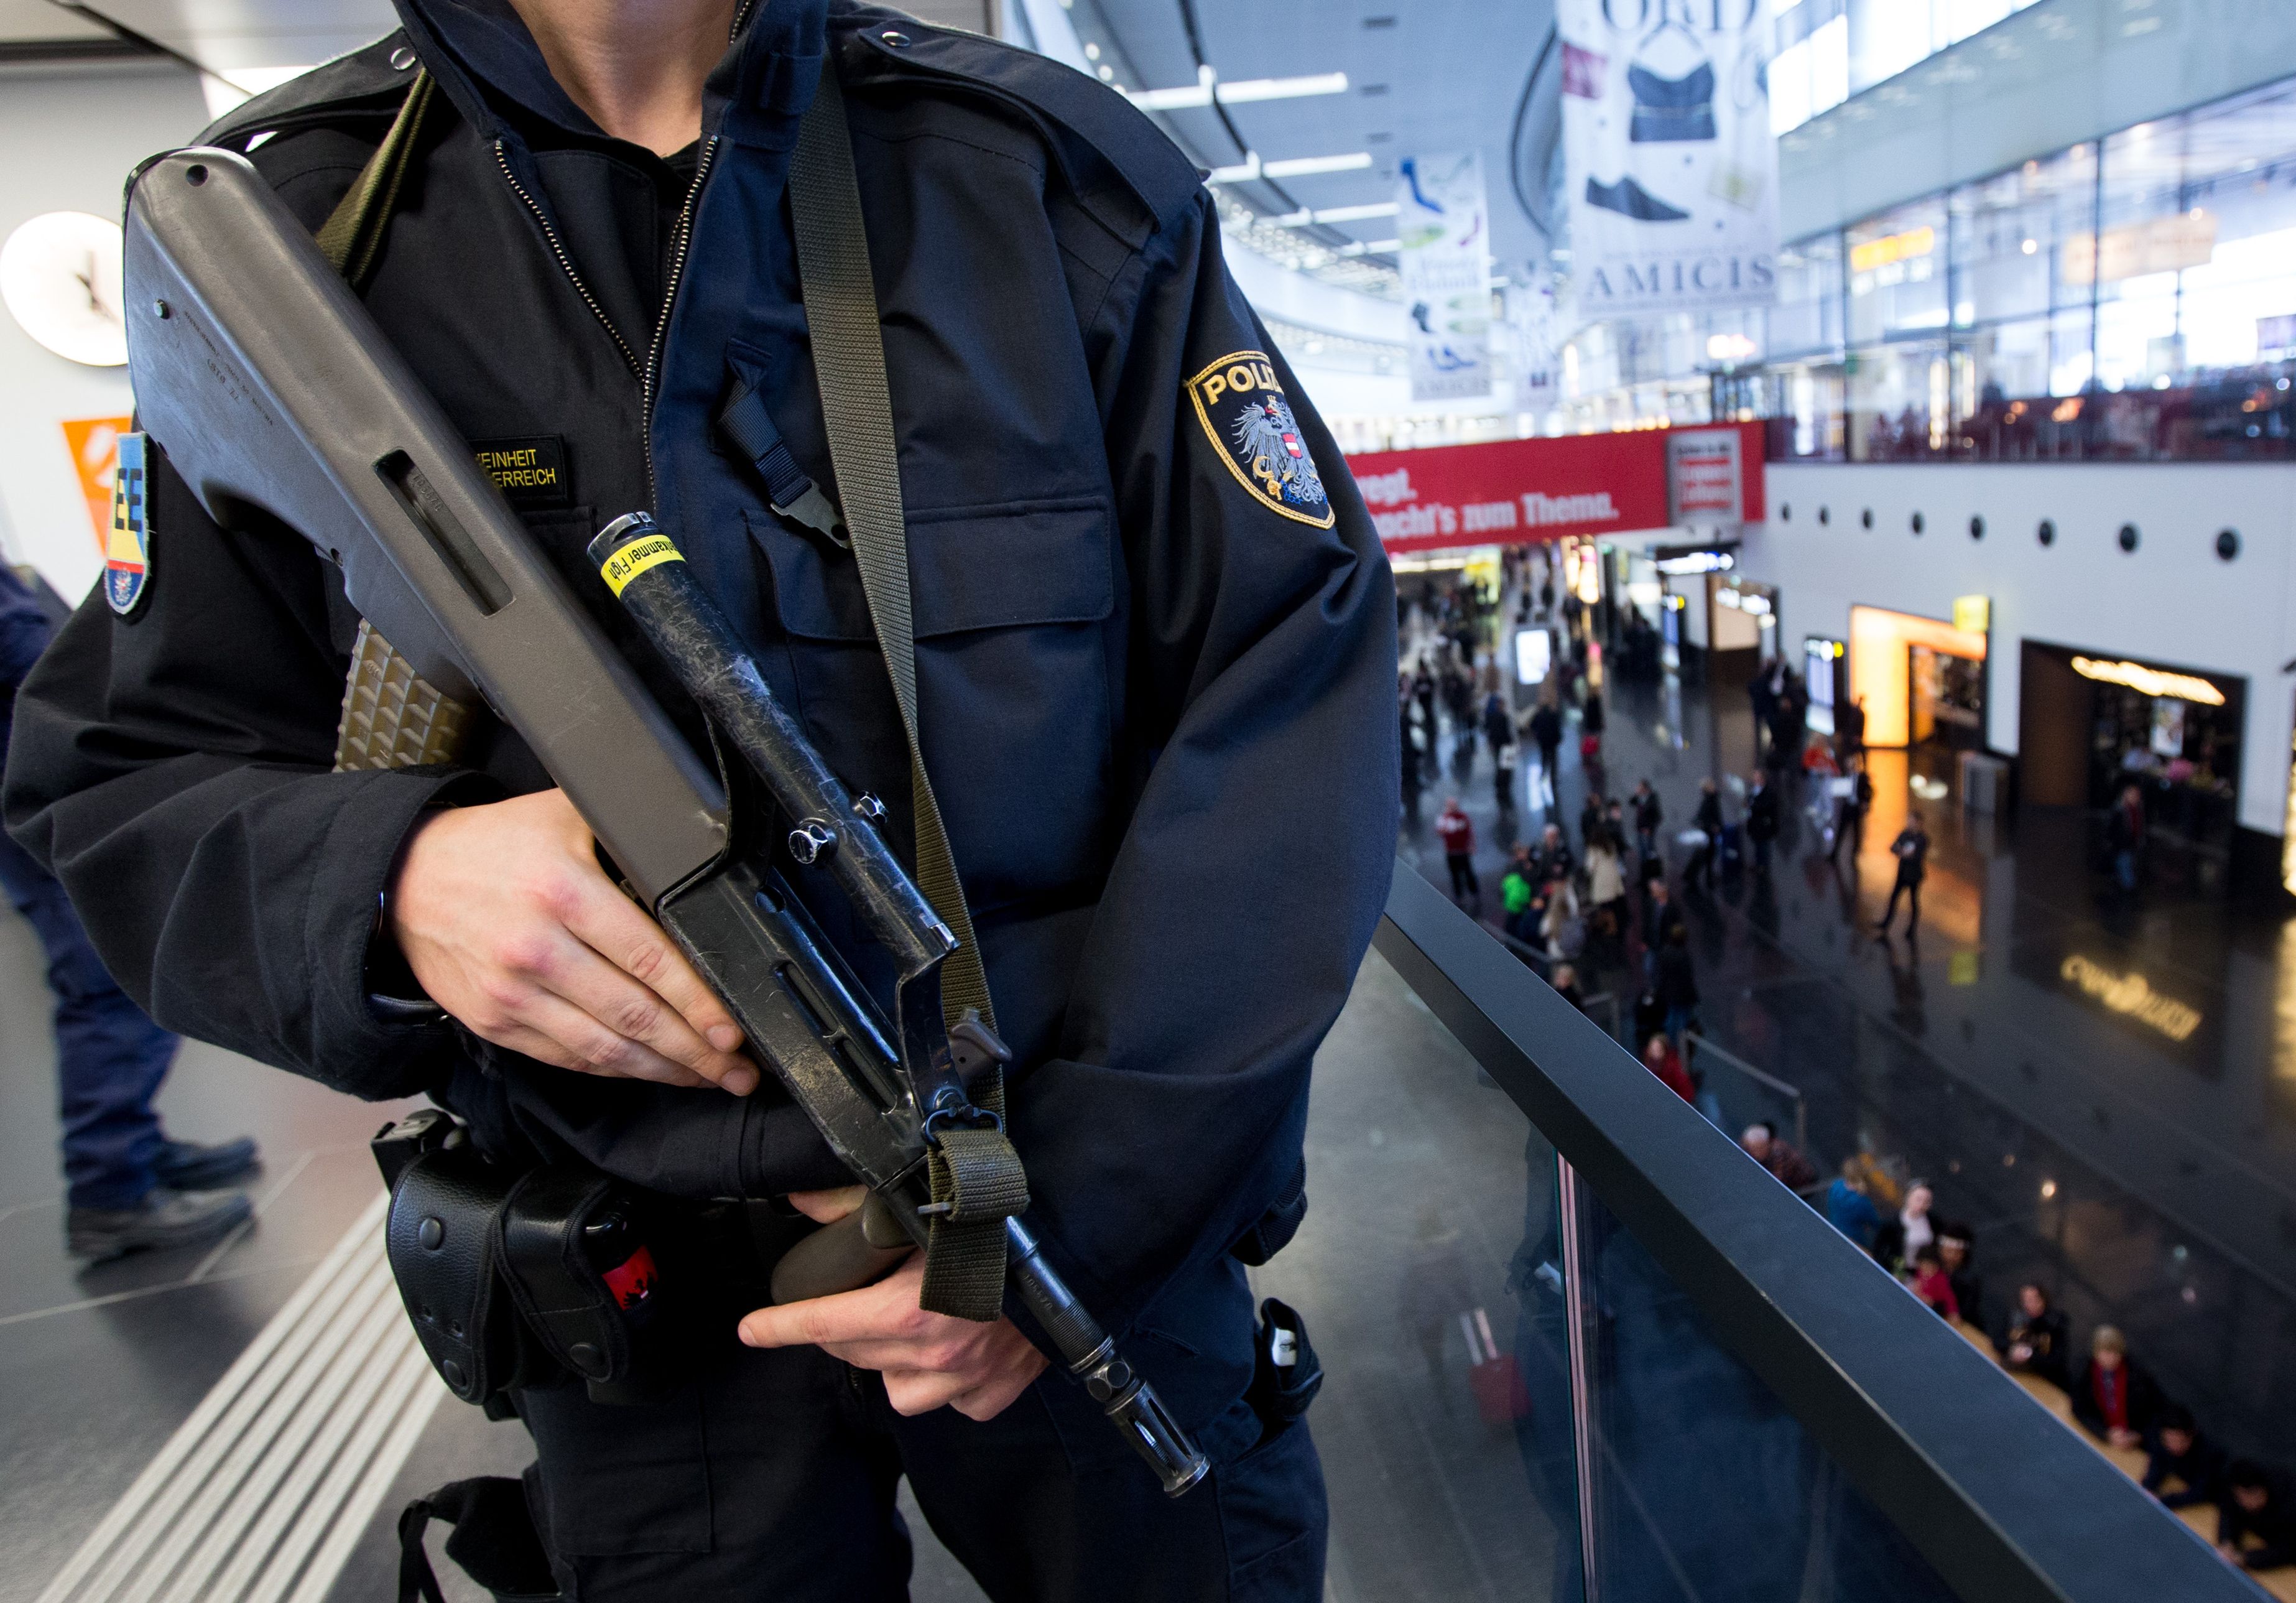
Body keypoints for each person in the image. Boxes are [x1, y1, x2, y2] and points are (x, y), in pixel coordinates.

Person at [4, 5, 1399, 1595]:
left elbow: (1291, 715)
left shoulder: (1046, 183)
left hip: (1072, 1248)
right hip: (638, 1312)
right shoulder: (298, 229)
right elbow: (119, 784)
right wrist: (393, 879)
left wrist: (1094, 1200)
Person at [0, 564, 257, 1261]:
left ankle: (133, 1147)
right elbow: (27, 656)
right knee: (104, 978)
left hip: (25, 772)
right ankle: (110, 1191)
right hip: (28, 777)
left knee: (108, 966)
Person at [2072, 1326, 2165, 1449]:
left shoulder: (2139, 1377)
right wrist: (2105, 1434)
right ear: (2095, 1352)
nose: (2111, 1358)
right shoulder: (2084, 1371)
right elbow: (2079, 1409)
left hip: (2135, 1443)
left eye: (2116, 1353)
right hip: (2105, 1438)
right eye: (2106, 1352)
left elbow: (2158, 1412)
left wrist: (2140, 1436)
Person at [2215, 1461, 2296, 1571]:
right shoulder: (2238, 1496)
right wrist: (2227, 1542)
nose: (2241, 1502)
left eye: (2244, 1497)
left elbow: (2287, 1550)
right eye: (2238, 1497)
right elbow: (2229, 1513)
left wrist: (2246, 1559)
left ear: (2258, 1493)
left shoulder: (2290, 1509)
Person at [2139, 1405, 2224, 1510]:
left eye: (2181, 1442)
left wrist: (2163, 1501)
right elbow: (2157, 1464)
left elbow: (2200, 1493)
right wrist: (2147, 1488)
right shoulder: (2159, 1439)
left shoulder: (2210, 1454)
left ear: (2192, 1435)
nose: (2176, 1447)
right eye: (2170, 1441)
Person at [2000, 1282, 2071, 1390]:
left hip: (2042, 1382)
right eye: (2025, 1300)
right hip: (2015, 1374)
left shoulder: (2055, 1326)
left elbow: (2056, 1361)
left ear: (2042, 1301)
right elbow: (1999, 1339)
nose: (2027, 1304)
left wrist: (2029, 1354)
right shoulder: (2017, 1317)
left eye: (2032, 1300)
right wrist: (2012, 1349)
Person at [1877, 809, 1929, 939]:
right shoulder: (1905, 834)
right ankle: (1886, 923)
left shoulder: (1922, 839)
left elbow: (1916, 855)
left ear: (1919, 823)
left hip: (1914, 875)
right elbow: (1894, 847)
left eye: (1912, 821)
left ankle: (1911, 929)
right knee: (1894, 898)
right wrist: (1901, 851)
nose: (1909, 823)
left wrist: (1903, 852)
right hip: (1903, 873)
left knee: (1913, 901)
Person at [1873, 1183, 1942, 1275]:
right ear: (1909, 1198)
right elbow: (1878, 1248)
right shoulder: (1892, 1223)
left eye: (1927, 1201)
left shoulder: (1933, 1221)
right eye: (1918, 1199)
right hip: (1899, 1271)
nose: (1921, 1205)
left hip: (1923, 1273)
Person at [1650, 922, 1699, 1047]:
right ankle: (1680, 1045)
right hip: (1682, 993)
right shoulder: (1682, 955)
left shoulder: (1665, 952)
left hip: (1670, 992)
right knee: (1682, 1019)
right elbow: (1687, 977)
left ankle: (1670, 1043)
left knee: (1671, 1017)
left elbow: (1660, 973)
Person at [1821, 1156, 1882, 1252]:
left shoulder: (1836, 1186)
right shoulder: (1862, 1202)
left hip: (1834, 1229)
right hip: (1855, 1241)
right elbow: (1876, 1223)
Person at [1740, 1123, 1817, 1191]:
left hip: (1802, 1182)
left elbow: (1775, 1185)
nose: (1752, 1153)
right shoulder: (1749, 1144)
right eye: (1750, 1148)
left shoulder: (1779, 1155)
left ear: (1768, 1144)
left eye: (1758, 1149)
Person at [1935, 1227, 1984, 1332]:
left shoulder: (1969, 1280)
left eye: (1957, 1253)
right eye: (1948, 1251)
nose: (1952, 1256)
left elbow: (1966, 1310)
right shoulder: (1932, 1268)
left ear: (1963, 1255)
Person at [1435, 796, 1479, 907]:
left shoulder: (1463, 817)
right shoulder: (1444, 818)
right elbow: (1439, 832)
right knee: (1455, 875)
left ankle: (1474, 892)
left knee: (1468, 873)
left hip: (1463, 851)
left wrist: (1472, 846)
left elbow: (1470, 832)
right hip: (1451, 852)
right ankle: (1458, 895)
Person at [2106, 781, 2147, 899]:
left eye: (2137, 796)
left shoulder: (2138, 810)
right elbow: (2112, 827)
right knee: (2126, 863)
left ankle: (2119, 881)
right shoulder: (2120, 811)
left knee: (2126, 863)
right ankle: (2130, 887)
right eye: (2133, 795)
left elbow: (2140, 826)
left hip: (2132, 842)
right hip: (2123, 843)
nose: (2136, 798)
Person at [1828, 755, 1872, 859]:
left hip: (1856, 807)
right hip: (1847, 807)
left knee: (1857, 830)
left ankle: (1855, 853)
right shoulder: (1844, 775)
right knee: (1841, 829)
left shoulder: (1862, 776)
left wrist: (1866, 802)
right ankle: (1834, 853)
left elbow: (1869, 791)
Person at [1683, 778, 1723, 891]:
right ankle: (1698, 877)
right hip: (1708, 831)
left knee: (1708, 855)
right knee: (1707, 855)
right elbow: (1707, 815)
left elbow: (1711, 814)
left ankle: (1698, 877)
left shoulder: (1711, 799)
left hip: (1709, 831)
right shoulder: (1710, 799)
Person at [1641, 1033, 1697, 1106]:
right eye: (1652, 1049)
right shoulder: (1646, 1058)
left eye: (1658, 1050)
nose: (1654, 1053)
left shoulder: (1674, 1067)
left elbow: (1688, 1093)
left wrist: (1672, 1105)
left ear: (1664, 1051)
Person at [1907, 1243, 1958, 1320]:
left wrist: (1953, 1312)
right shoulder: (1919, 1273)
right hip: (1918, 1307)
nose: (1929, 1270)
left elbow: (1949, 1298)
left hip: (1934, 1310)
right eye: (1925, 1266)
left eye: (1932, 1266)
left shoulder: (1941, 1279)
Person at [1745, 766, 1780, 871]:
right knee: (1757, 845)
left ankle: (1764, 866)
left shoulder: (1769, 792)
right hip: (1755, 823)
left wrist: (1752, 806)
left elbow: (1766, 806)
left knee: (1764, 845)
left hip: (1764, 824)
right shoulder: (1754, 791)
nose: (1755, 779)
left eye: (1757, 777)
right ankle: (1758, 864)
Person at [1630, 779, 1662, 862]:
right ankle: (1644, 867)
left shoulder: (1652, 797)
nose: (1639, 789)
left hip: (1648, 828)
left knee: (1650, 849)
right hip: (1640, 827)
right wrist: (1636, 794)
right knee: (1642, 849)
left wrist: (1649, 828)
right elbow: (1631, 802)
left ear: (1645, 788)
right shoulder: (1639, 797)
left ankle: (1651, 867)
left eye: (1640, 787)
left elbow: (1654, 814)